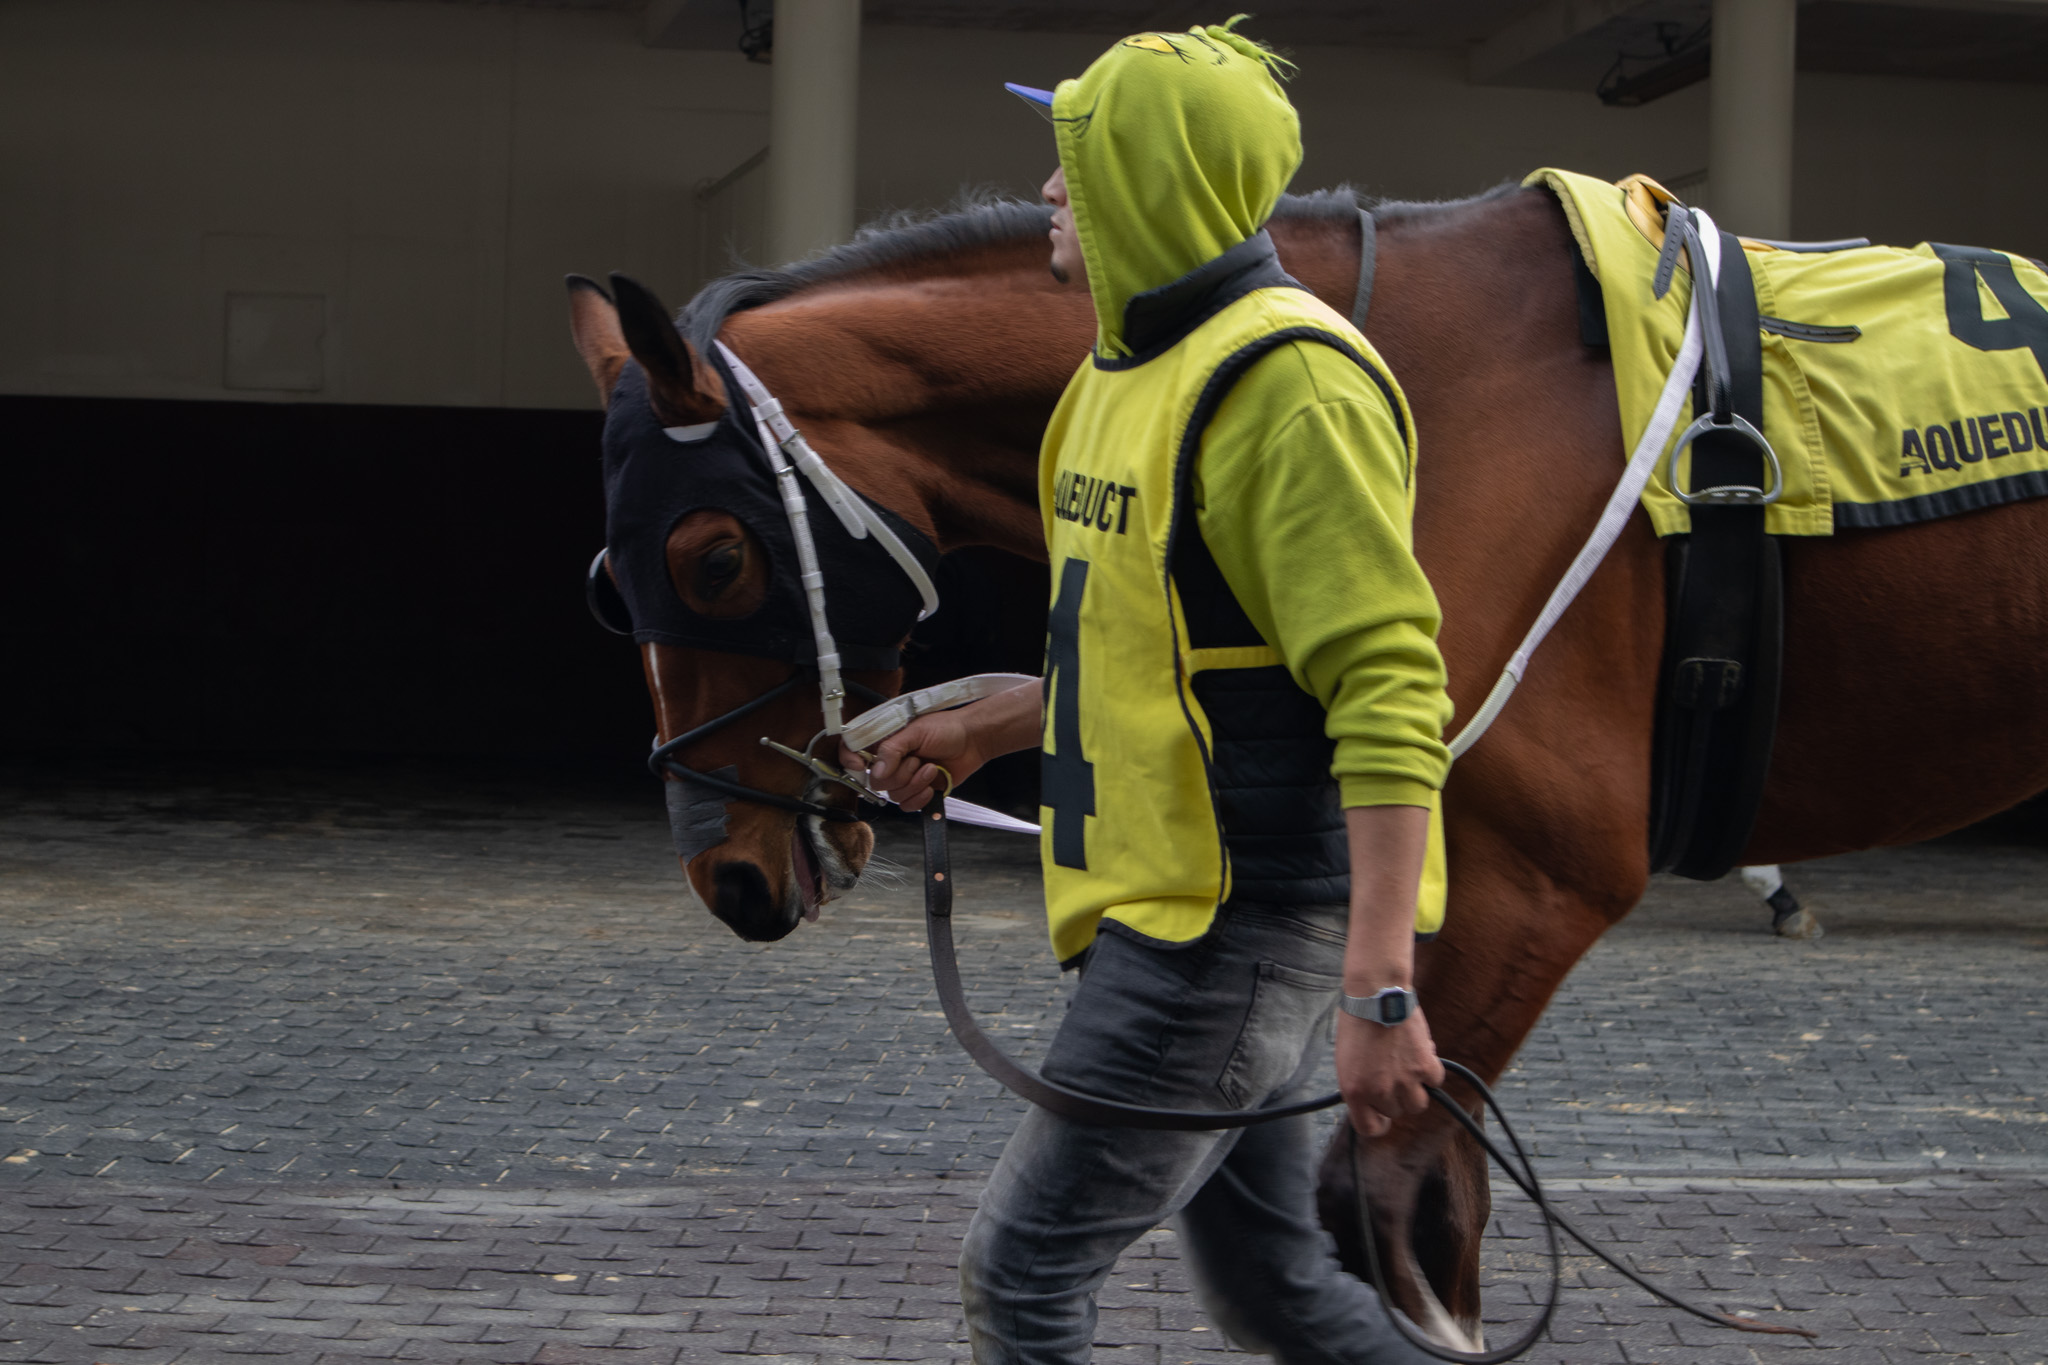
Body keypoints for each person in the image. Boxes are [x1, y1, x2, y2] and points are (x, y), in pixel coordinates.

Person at [847, 21, 1453, 1363]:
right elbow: (1149, 651)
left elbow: (1391, 683)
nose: (1050, 191)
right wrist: (991, 721)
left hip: (1223, 938)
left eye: (1077, 161)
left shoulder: (1290, 384)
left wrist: (1382, 989)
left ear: (1151, 182)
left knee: (1021, 1280)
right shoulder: (1118, 379)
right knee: (1271, 1290)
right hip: (1174, 915)